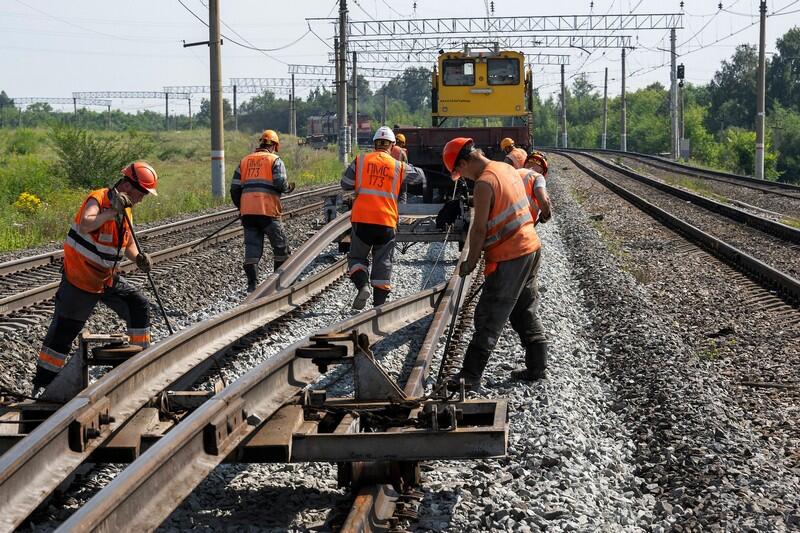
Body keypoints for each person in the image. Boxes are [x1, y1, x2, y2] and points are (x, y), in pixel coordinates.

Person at [33, 162, 158, 390]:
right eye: (142, 193)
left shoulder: (126, 207)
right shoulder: (98, 199)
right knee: (63, 333)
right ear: (128, 185)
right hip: (80, 280)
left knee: (138, 305)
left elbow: (127, 242)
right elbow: (85, 224)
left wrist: (138, 257)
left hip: (106, 278)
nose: (142, 198)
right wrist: (111, 213)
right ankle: (43, 385)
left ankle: (140, 362)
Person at [441, 137, 548, 390]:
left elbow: (478, 230)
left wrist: (470, 261)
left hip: (510, 256)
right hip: (531, 248)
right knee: (523, 309)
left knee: (490, 315)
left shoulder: (484, 183)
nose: (463, 177)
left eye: (460, 172)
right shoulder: (506, 168)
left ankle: (469, 376)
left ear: (466, 162)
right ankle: (537, 367)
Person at [340, 126, 425, 309]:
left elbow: (345, 184)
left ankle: (363, 286)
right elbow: (420, 178)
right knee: (383, 262)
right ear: (392, 145)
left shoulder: (361, 160)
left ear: (374, 143)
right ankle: (378, 306)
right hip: (386, 222)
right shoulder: (398, 166)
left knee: (356, 258)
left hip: (362, 220)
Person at [230, 129, 295, 292]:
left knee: (252, 248)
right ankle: (278, 284)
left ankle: (252, 285)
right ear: (274, 146)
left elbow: (234, 188)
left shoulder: (244, 161)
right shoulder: (275, 160)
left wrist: (242, 207)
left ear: (261, 143)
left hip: (248, 214)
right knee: (281, 247)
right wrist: (288, 188)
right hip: (268, 212)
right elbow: (280, 183)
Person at [519, 151, 553, 225]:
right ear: (542, 171)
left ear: (525, 164)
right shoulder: (537, 177)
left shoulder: (513, 172)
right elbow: (544, 202)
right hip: (521, 225)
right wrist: (546, 215)